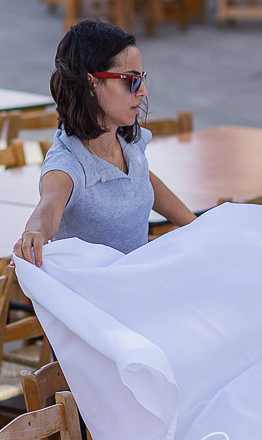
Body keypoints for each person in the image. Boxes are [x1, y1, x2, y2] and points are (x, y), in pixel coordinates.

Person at [14, 20, 195, 265]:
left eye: (142, 78)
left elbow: (141, 178)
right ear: (91, 83)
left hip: (134, 289)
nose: (142, 91)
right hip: (94, 299)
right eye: (131, 80)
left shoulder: (127, 141)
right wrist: (34, 231)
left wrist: (197, 226)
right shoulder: (67, 166)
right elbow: (48, 207)